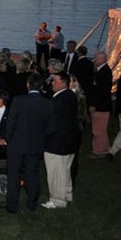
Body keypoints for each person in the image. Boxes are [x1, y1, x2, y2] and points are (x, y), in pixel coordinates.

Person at [3, 73, 55, 213]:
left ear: (27, 85)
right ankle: (31, 205)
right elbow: (51, 127)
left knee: (13, 174)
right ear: (42, 86)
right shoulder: (48, 103)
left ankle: (12, 205)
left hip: (16, 144)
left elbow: (10, 122)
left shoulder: (19, 100)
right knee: (32, 174)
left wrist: (9, 138)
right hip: (36, 144)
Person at [43, 72, 79, 209]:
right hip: (69, 141)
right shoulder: (70, 96)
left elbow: (54, 123)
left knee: (56, 172)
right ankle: (67, 194)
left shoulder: (60, 99)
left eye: (55, 81)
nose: (52, 83)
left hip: (57, 143)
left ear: (64, 82)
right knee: (65, 170)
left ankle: (57, 200)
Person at [89, 51, 113, 157]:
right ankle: (105, 148)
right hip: (102, 105)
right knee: (101, 129)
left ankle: (98, 151)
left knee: (97, 130)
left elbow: (101, 91)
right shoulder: (101, 70)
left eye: (95, 58)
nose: (93, 60)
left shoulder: (104, 72)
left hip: (101, 106)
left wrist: (94, 104)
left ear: (102, 59)